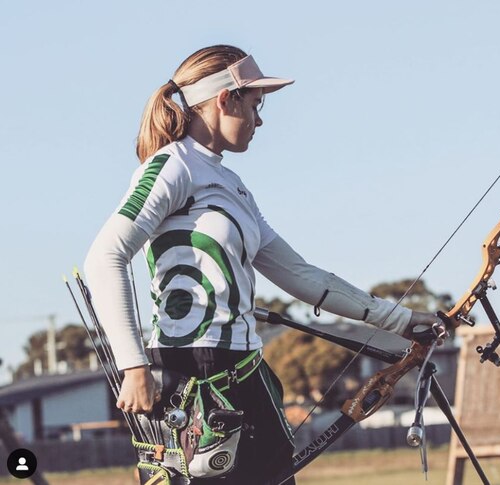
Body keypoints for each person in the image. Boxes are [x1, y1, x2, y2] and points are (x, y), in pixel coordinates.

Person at [84, 44, 446, 484]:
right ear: (225, 99)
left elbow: (302, 276)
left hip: (247, 379)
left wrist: (405, 320)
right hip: (191, 383)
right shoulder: (171, 167)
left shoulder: (233, 188)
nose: (259, 120)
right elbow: (105, 256)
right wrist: (134, 367)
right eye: (255, 105)